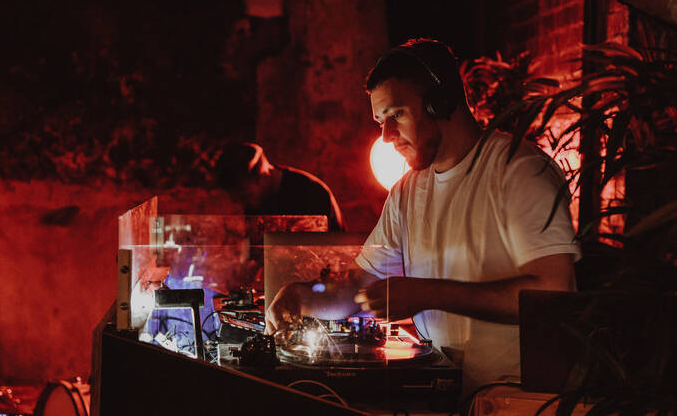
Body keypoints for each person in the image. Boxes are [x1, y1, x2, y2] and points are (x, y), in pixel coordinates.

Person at [266, 38, 580, 393]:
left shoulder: (520, 171)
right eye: (379, 121)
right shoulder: (406, 192)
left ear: (440, 102)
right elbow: (357, 287)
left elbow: (555, 293)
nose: (385, 137)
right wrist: (301, 297)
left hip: (516, 397)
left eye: (396, 115)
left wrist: (428, 293)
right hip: (445, 393)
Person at [214, 141, 346, 232]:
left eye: (244, 195)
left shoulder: (310, 193)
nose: (241, 203)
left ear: (263, 176)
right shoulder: (257, 202)